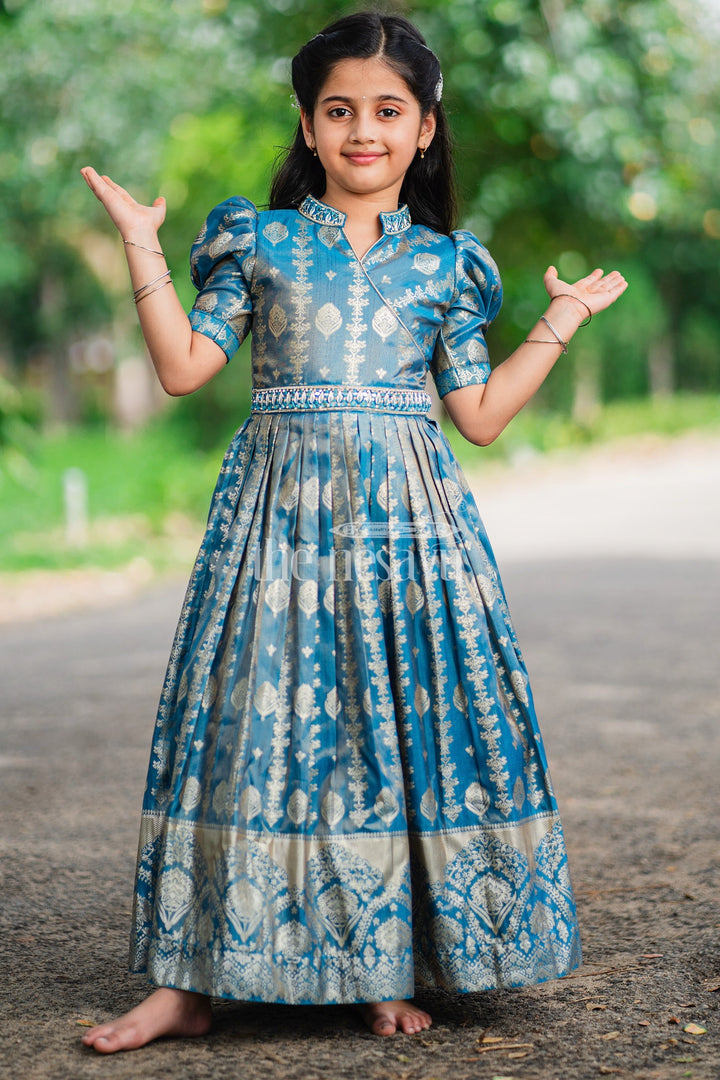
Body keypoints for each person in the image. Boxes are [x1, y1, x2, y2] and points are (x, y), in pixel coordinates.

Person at [79, 10, 627, 1054]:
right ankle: (190, 986)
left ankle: (379, 963)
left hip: (410, 533)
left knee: (389, 731)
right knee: (255, 728)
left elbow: (481, 414)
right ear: (308, 123)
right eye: (339, 110)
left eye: (387, 110)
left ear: (426, 128)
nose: (362, 130)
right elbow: (185, 368)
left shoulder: (448, 267)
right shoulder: (260, 239)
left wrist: (559, 323)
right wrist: (143, 248)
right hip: (276, 524)